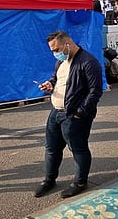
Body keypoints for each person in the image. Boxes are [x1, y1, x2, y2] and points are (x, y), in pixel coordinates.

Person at [34, 31, 103, 198]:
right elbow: (56, 78)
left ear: (67, 44)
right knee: (51, 149)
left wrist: (80, 113)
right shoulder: (60, 62)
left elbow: (95, 92)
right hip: (55, 112)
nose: (55, 53)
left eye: (56, 49)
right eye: (52, 50)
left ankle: (80, 182)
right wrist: (49, 84)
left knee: (78, 149)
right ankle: (49, 180)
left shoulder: (88, 62)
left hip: (74, 115)